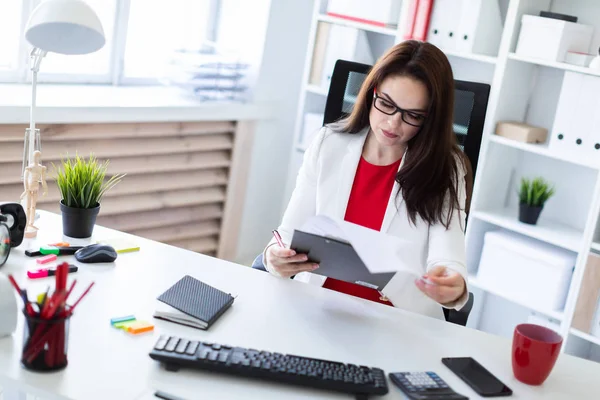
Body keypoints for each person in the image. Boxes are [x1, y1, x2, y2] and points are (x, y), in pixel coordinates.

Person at [263, 40, 469, 320]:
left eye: (413, 115)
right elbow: (287, 236)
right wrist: (274, 257)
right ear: (372, 93)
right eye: (386, 104)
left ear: (431, 118)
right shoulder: (328, 144)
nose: (393, 124)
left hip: (396, 321)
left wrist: (452, 286)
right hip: (317, 307)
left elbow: (448, 256)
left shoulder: (446, 168)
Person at [20, 150, 48, 237]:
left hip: (36, 187)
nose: (36, 158)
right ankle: (27, 223)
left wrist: (45, 189)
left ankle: (31, 223)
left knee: (33, 206)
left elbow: (43, 180)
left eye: (38, 157)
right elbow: (25, 179)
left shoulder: (41, 168)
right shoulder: (29, 168)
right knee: (28, 207)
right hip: (29, 187)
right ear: (33, 157)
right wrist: (26, 190)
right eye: (35, 157)